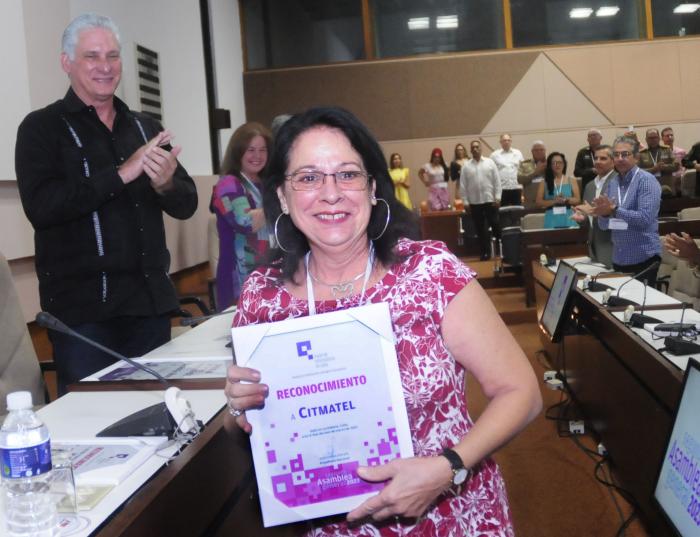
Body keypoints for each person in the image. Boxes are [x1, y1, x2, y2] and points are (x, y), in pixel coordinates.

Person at [224, 107, 541, 536]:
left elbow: (521, 392)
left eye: (348, 174)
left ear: (373, 188)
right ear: (282, 194)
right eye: (309, 177)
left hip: (452, 517)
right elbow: (246, 427)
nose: (331, 193)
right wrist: (239, 406)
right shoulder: (261, 297)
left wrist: (448, 467)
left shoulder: (430, 272)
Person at [15, 13, 197, 395]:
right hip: (84, 318)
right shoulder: (41, 128)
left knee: (161, 425)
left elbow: (187, 203)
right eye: (91, 57)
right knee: (92, 427)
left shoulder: (145, 128)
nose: (105, 67)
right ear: (67, 63)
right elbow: (43, 207)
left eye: (112, 56)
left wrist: (165, 184)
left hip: (149, 307)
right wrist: (122, 173)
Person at [210, 122, 272, 310]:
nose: (257, 156)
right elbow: (245, 222)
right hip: (240, 276)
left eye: (263, 150)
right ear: (238, 152)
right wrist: (283, 204)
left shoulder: (267, 183)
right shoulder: (228, 184)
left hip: (269, 270)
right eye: (251, 150)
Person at [593, 135, 662, 285]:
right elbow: (604, 226)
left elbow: (644, 219)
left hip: (644, 259)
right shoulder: (613, 183)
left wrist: (615, 209)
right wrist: (604, 215)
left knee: (640, 307)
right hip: (619, 259)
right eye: (616, 155)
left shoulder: (646, 180)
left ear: (636, 157)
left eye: (625, 154)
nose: (620, 159)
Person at [572, 146, 615, 267]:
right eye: (596, 158)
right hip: (593, 244)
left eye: (603, 158)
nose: (598, 162)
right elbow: (588, 217)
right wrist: (582, 218)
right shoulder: (590, 185)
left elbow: (620, 217)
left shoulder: (618, 182)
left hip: (613, 244)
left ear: (613, 161)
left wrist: (594, 213)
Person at [459, 140, 502, 261]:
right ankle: (485, 253)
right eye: (473, 147)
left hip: (490, 201)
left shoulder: (490, 162)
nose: (475, 149)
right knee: (480, 229)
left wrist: (498, 197)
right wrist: (465, 202)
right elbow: (463, 185)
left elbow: (497, 181)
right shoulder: (466, 166)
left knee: (495, 225)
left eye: (477, 147)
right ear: (471, 150)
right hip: (474, 202)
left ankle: (501, 251)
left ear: (481, 148)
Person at [536, 152, 580, 229]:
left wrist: (566, 199)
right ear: (550, 165)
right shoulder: (544, 182)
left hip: (569, 216)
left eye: (560, 162)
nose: (558, 165)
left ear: (564, 164)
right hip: (551, 217)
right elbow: (539, 202)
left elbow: (577, 200)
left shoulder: (571, 180)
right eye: (554, 163)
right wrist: (554, 201)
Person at [638, 128, 678, 196]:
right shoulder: (641, 154)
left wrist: (664, 167)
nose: (653, 140)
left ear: (659, 138)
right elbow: (637, 172)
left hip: (668, 188)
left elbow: (676, 166)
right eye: (650, 138)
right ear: (646, 140)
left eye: (655, 137)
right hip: (649, 189)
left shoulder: (667, 150)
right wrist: (653, 169)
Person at [490, 133, 524, 207]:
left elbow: (522, 170)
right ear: (500, 142)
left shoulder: (518, 153)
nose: (507, 142)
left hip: (516, 187)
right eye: (504, 140)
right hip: (502, 189)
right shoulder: (494, 155)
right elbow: (491, 173)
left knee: (517, 212)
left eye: (508, 140)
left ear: (511, 141)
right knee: (503, 213)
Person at [517, 141, 547, 209]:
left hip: (548, 202)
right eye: (536, 150)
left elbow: (558, 178)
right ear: (532, 152)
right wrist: (535, 172)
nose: (539, 152)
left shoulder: (551, 164)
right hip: (530, 203)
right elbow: (519, 179)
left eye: (541, 150)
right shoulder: (525, 164)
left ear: (545, 151)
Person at [574, 128, 603, 193]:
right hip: (589, 187)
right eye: (590, 136)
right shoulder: (582, 152)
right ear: (587, 139)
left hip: (605, 185)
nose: (592, 137)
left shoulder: (606, 151)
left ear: (601, 138)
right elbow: (576, 172)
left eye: (595, 135)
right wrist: (591, 170)